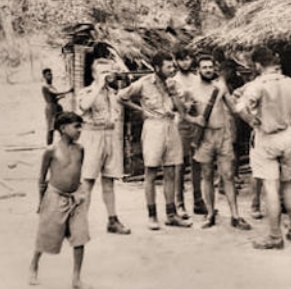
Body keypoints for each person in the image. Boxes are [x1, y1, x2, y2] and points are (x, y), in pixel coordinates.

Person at [236, 47, 291, 249]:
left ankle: (275, 236)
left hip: (268, 136)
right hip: (288, 136)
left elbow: (240, 108)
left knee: (271, 187)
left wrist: (252, 121)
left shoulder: (258, 85)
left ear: (257, 65)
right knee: (289, 184)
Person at [118, 51, 192, 230]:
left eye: (173, 66)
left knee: (171, 172)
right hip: (153, 127)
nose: (172, 69)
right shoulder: (144, 83)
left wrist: (173, 93)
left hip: (171, 126)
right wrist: (140, 110)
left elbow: (182, 111)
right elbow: (121, 96)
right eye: (168, 66)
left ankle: (171, 215)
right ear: (158, 68)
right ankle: (152, 216)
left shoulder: (174, 84)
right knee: (150, 172)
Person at [184, 55, 251, 230]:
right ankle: (210, 214)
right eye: (204, 67)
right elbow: (184, 115)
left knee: (228, 175)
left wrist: (252, 117)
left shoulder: (220, 87)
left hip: (223, 135)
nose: (208, 70)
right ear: (198, 69)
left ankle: (235, 216)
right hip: (204, 137)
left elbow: (234, 109)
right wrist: (194, 119)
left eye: (210, 67)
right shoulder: (191, 90)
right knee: (206, 175)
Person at [29, 112, 91, 289]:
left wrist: (81, 193)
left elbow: (77, 172)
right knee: (46, 234)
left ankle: (76, 278)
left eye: (81, 126)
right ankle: (34, 264)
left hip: (76, 198)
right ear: (63, 129)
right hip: (55, 196)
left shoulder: (80, 149)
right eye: (76, 126)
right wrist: (41, 203)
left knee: (80, 236)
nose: (80, 130)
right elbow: (41, 179)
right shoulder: (51, 151)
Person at [77, 61, 131, 235]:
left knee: (109, 181)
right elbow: (84, 106)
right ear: (94, 74)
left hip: (109, 136)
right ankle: (80, 223)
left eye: (108, 71)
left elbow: (116, 112)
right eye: (102, 72)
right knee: (88, 181)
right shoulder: (86, 92)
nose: (107, 74)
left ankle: (112, 220)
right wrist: (98, 85)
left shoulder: (113, 93)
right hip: (92, 137)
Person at [173, 47, 208, 218]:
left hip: (197, 122)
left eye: (187, 59)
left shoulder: (197, 79)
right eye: (182, 59)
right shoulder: (174, 80)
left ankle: (198, 201)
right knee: (180, 163)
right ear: (176, 61)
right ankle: (179, 203)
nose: (185, 62)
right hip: (181, 124)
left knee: (197, 162)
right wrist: (182, 106)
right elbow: (172, 104)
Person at [41, 68, 73, 145]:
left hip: (57, 108)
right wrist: (68, 91)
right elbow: (55, 93)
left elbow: (55, 97)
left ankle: (65, 145)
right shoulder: (45, 86)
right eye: (48, 75)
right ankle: (49, 146)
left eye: (51, 74)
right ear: (44, 77)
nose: (50, 76)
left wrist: (61, 97)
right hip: (51, 109)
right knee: (51, 129)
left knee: (60, 127)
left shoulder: (51, 86)